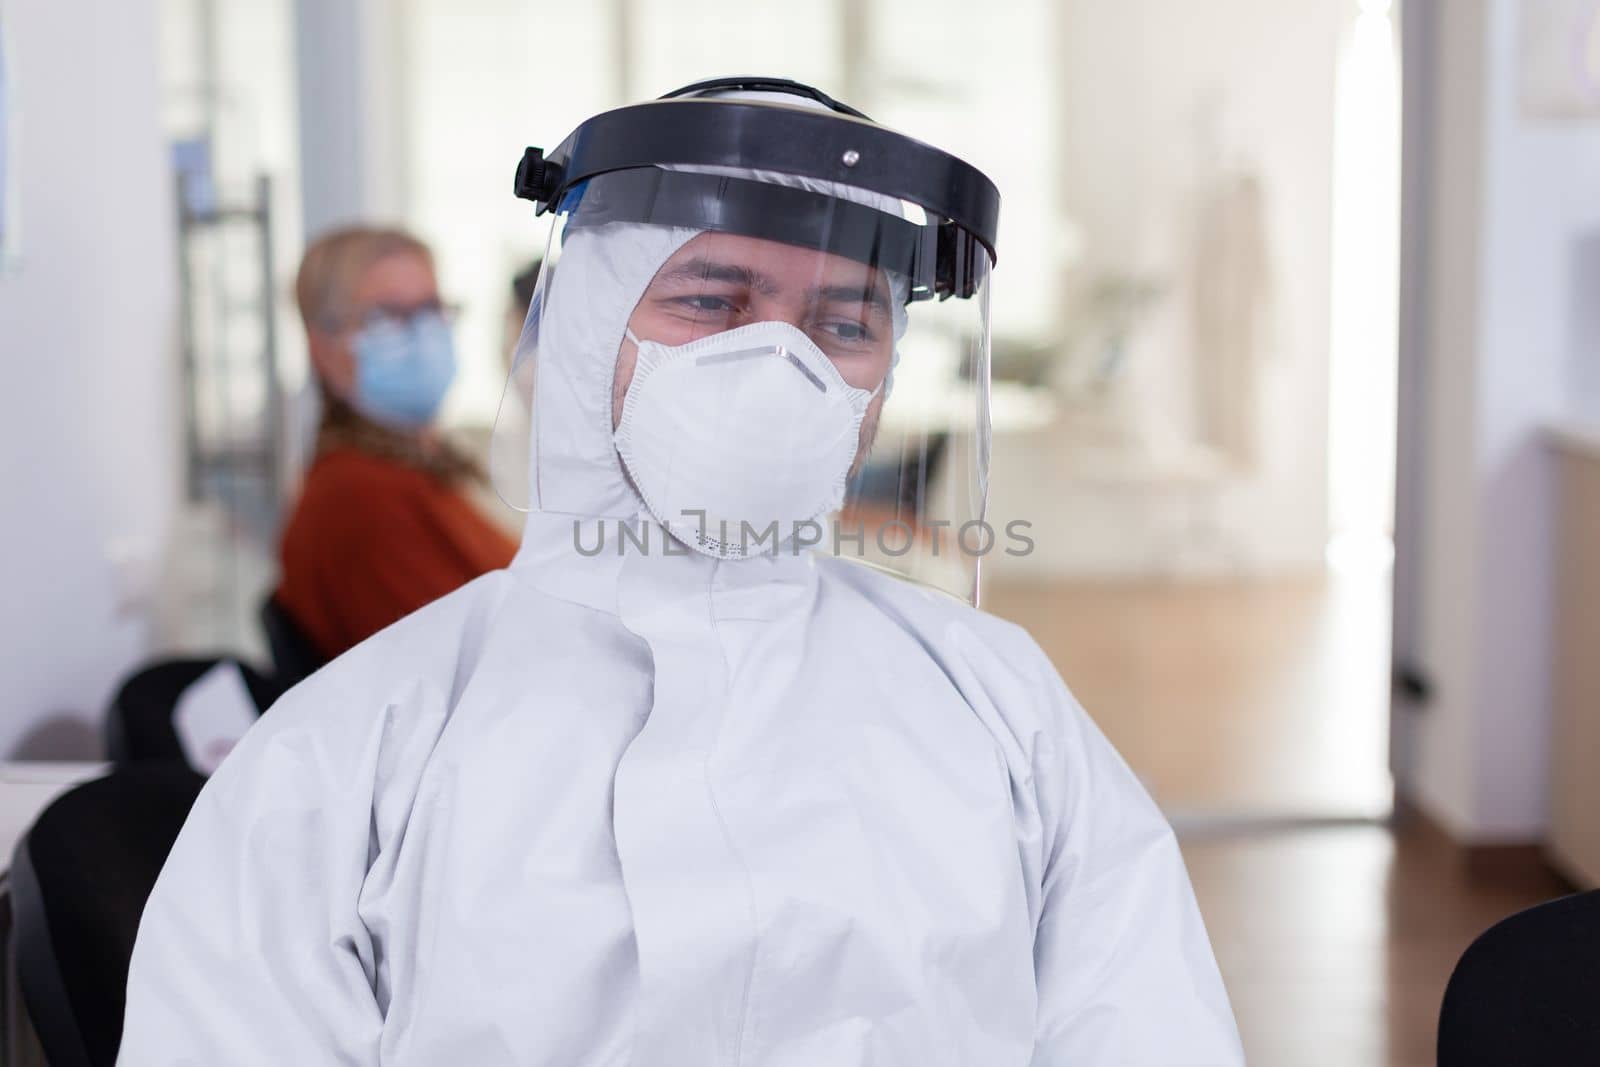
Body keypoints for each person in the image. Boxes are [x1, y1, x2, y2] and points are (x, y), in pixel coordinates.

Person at [120, 80, 1243, 1065]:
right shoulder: (343, 761)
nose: (780, 363)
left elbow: (1142, 1017)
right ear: (587, 325)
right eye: (710, 302)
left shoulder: (1003, 707)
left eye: (843, 323)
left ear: (885, 376)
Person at [273, 227, 517, 662]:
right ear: (323, 348)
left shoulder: (423, 469)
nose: (422, 335)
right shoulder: (357, 498)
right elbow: (463, 668)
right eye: (386, 317)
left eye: (431, 309)